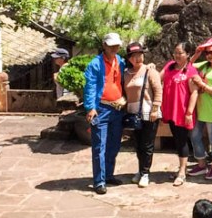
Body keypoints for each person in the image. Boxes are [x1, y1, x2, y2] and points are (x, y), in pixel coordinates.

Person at [83, 33, 126, 194]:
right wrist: (90, 107)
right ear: (104, 45)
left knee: (114, 144)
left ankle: (108, 175)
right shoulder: (95, 64)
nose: (114, 48)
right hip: (100, 109)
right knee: (99, 146)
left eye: (117, 45)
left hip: (117, 109)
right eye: (111, 45)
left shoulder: (120, 61)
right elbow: (90, 87)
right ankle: (99, 181)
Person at [123, 42, 163, 188]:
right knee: (138, 144)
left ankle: (145, 173)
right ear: (129, 58)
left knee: (147, 144)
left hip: (149, 112)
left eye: (140, 55)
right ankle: (140, 171)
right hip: (133, 113)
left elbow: (158, 90)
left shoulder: (150, 71)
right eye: (134, 56)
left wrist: (155, 108)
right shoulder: (126, 73)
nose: (137, 58)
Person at [188, 38, 212, 181]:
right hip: (199, 108)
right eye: (207, 52)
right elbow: (188, 65)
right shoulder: (204, 65)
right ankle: (202, 163)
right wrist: (197, 53)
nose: (209, 55)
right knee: (194, 136)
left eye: (211, 52)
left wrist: (201, 84)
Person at [160, 42, 199, 187]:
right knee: (176, 139)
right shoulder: (170, 66)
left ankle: (182, 172)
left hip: (182, 111)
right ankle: (180, 168)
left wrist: (189, 112)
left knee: (182, 140)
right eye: (175, 52)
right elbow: (158, 79)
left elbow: (194, 93)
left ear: (188, 54)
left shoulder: (190, 71)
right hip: (170, 110)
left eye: (180, 52)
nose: (177, 55)